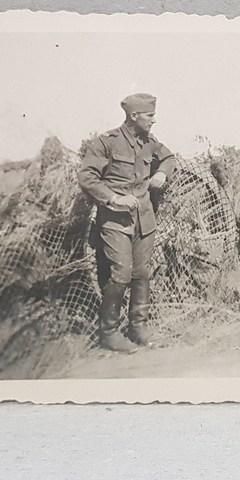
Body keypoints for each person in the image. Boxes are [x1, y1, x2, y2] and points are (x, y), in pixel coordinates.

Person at [78, 93, 175, 352]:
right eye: (150, 115)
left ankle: (138, 328)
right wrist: (114, 198)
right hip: (115, 220)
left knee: (141, 274)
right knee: (120, 274)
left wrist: (162, 174)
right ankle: (108, 333)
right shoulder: (105, 142)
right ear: (134, 116)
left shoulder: (150, 142)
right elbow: (87, 177)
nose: (154, 120)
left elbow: (169, 158)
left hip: (144, 220)